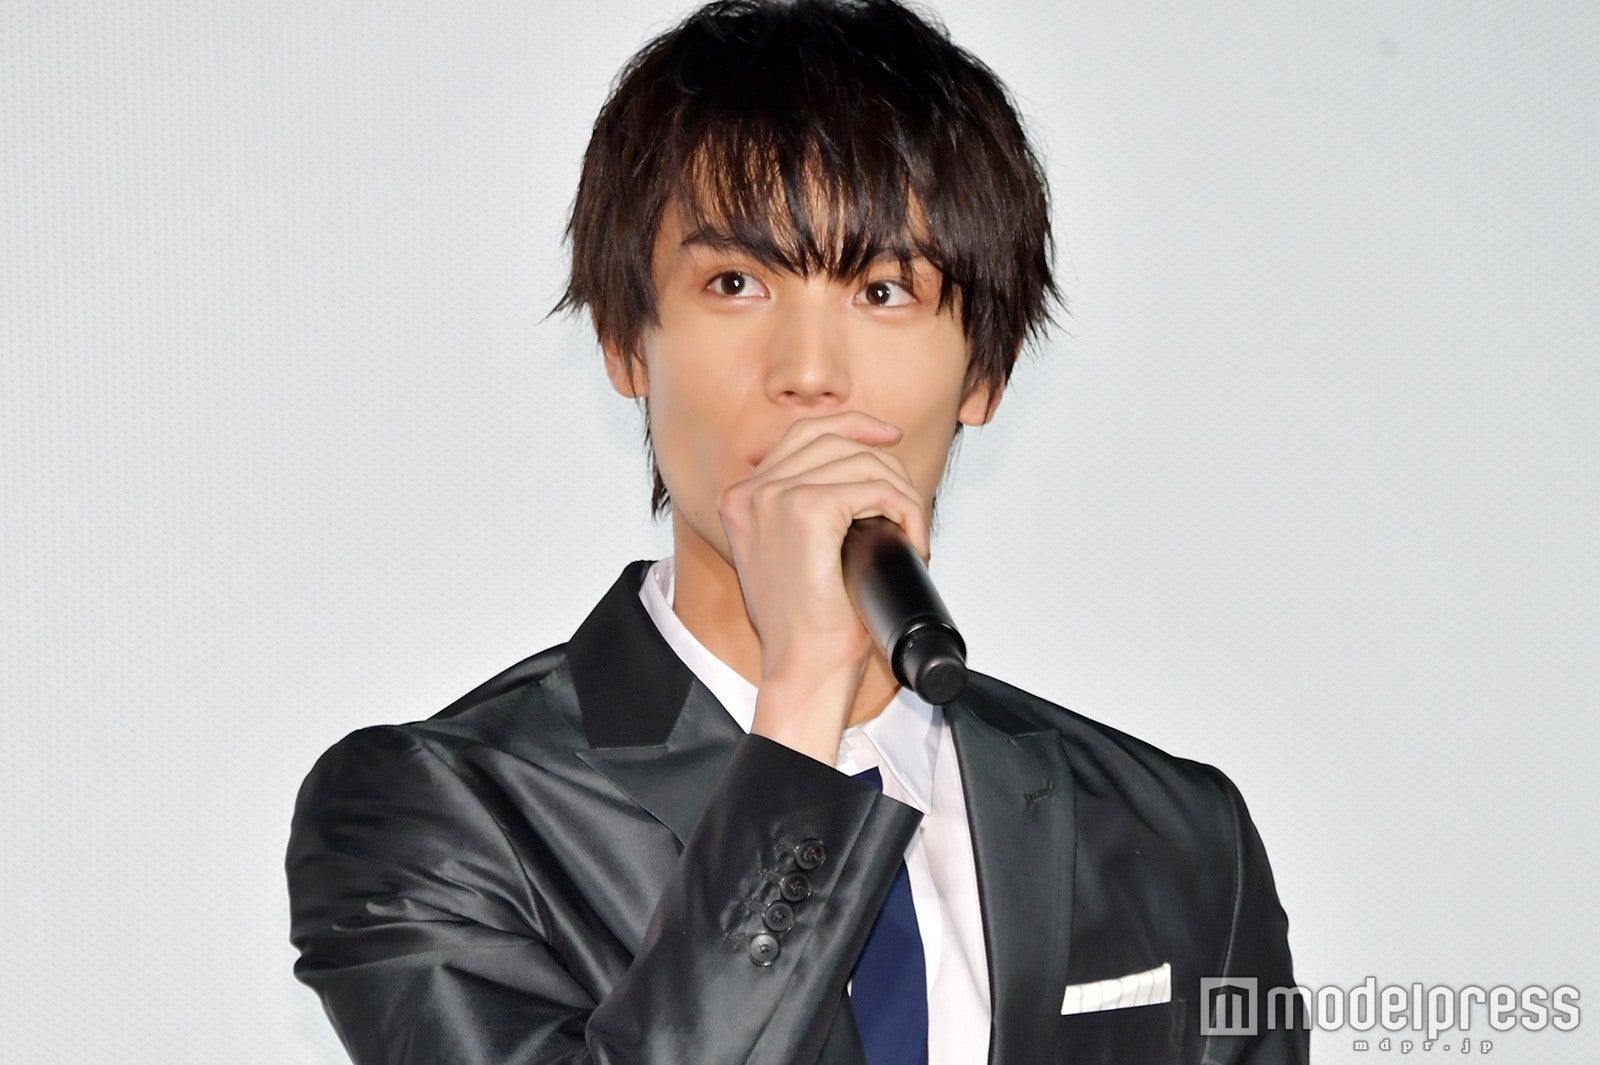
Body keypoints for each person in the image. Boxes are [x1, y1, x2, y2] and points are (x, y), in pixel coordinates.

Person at [285, 1, 1307, 1062]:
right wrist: (804, 701)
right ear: (625, 341)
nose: (809, 373)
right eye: (735, 283)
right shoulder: (435, 810)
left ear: (987, 372)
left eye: (883, 289)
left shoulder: (1172, 832)